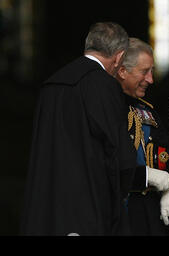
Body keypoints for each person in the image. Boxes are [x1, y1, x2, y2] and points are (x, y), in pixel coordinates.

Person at [21, 22, 135, 235]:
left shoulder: (51, 85)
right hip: (87, 207)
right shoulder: (103, 85)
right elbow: (119, 153)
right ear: (119, 56)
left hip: (49, 205)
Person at [115, 38, 169, 235]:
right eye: (144, 72)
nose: (151, 79)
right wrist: (145, 177)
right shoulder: (105, 110)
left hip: (150, 219)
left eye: (152, 71)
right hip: (117, 217)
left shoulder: (147, 112)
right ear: (122, 71)